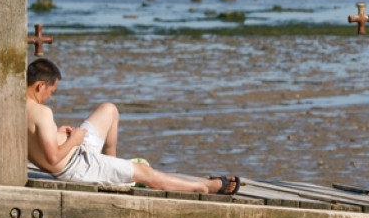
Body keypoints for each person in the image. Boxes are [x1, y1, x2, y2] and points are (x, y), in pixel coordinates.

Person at [26, 58, 240, 195]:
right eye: (50, 92)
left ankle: (113, 169)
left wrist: (58, 134)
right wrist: (74, 140)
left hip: (78, 155)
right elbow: (53, 159)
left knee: (109, 109)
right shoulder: (43, 113)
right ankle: (205, 187)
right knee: (145, 172)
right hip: (77, 167)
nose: (49, 97)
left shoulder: (15, 107)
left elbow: (37, 146)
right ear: (40, 86)